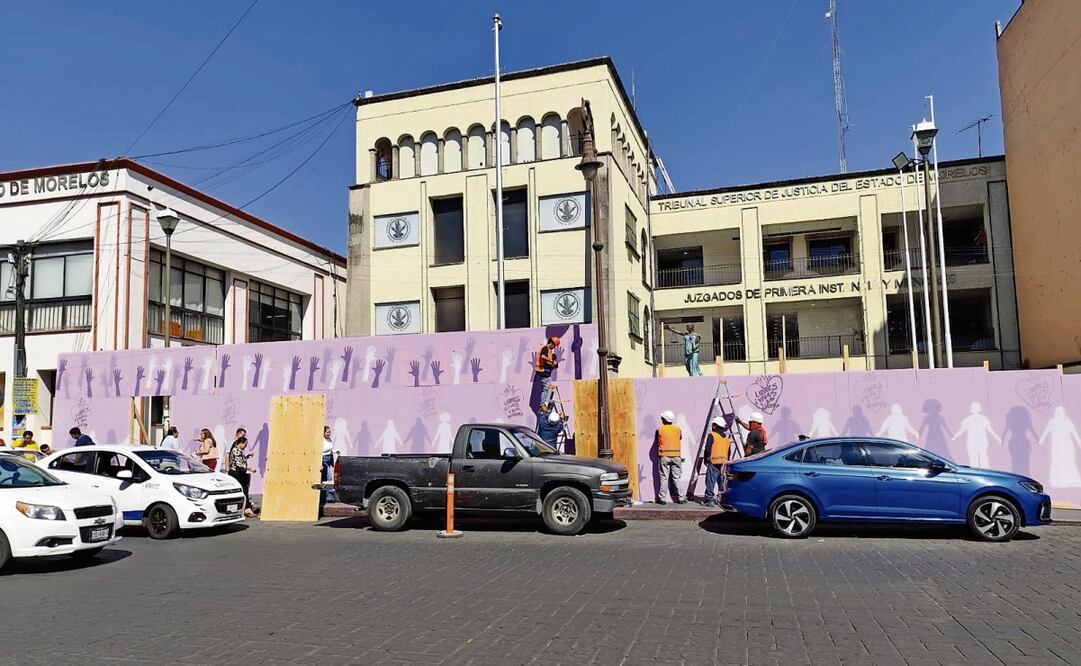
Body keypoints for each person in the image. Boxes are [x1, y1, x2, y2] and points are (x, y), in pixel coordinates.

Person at [655, 410, 687, 505]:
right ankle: (681, 498)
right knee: (676, 478)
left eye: (662, 418)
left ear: (664, 419)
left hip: (664, 456)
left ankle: (662, 499)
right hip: (676, 456)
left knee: (664, 478)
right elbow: (679, 438)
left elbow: (658, 440)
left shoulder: (660, 429)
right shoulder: (678, 429)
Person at [702, 417, 732, 508]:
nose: (712, 426)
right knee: (721, 483)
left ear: (715, 426)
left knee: (710, 482)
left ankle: (709, 500)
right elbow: (729, 452)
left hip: (714, 462)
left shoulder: (712, 435)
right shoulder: (727, 438)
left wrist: (706, 459)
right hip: (723, 464)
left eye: (713, 425)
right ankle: (722, 499)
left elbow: (707, 449)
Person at [226, 436, 257, 518]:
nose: (246, 446)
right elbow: (239, 464)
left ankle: (246, 508)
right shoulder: (236, 450)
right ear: (241, 443)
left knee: (244, 491)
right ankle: (246, 509)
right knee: (243, 491)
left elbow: (240, 460)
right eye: (245, 444)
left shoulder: (239, 451)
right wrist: (250, 468)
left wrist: (247, 456)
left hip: (239, 473)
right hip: (237, 473)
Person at [533, 337, 561, 411]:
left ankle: (544, 404)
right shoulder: (545, 348)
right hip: (542, 371)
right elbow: (543, 356)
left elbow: (551, 363)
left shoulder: (549, 352)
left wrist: (554, 364)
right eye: (554, 346)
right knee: (546, 388)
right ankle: (543, 405)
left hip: (545, 371)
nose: (554, 348)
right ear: (551, 343)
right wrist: (552, 361)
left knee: (547, 388)